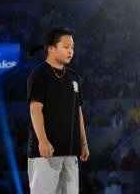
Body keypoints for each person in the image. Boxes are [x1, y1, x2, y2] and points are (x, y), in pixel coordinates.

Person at [27, 27, 90, 193]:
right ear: (51, 48)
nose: (71, 51)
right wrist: (42, 140)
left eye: (72, 47)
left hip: (70, 151)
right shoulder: (40, 74)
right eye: (66, 46)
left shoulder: (73, 76)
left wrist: (83, 143)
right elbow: (35, 109)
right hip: (46, 152)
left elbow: (78, 111)